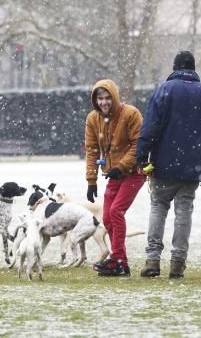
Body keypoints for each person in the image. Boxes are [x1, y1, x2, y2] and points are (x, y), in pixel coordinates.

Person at [136, 51, 201, 280]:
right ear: (193, 69)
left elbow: (150, 127)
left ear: (174, 68)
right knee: (184, 210)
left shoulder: (164, 90)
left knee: (158, 207)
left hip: (163, 163)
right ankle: (178, 263)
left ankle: (152, 259)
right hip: (193, 166)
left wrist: (142, 156)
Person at [85, 78, 146, 277]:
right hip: (113, 174)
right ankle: (121, 263)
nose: (104, 102)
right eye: (100, 99)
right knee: (107, 217)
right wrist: (91, 180)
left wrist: (121, 166)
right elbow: (92, 150)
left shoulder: (131, 114)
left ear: (115, 96)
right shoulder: (93, 119)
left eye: (107, 98)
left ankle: (118, 259)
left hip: (134, 172)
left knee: (116, 211)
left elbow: (139, 145)